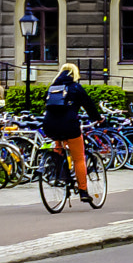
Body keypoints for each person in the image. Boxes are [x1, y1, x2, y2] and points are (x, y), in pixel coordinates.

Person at [42, 62, 103, 206]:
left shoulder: (52, 88)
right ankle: (83, 190)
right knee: (79, 158)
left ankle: (58, 175)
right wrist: (98, 118)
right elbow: (89, 105)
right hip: (70, 126)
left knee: (59, 148)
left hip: (50, 126)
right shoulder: (76, 87)